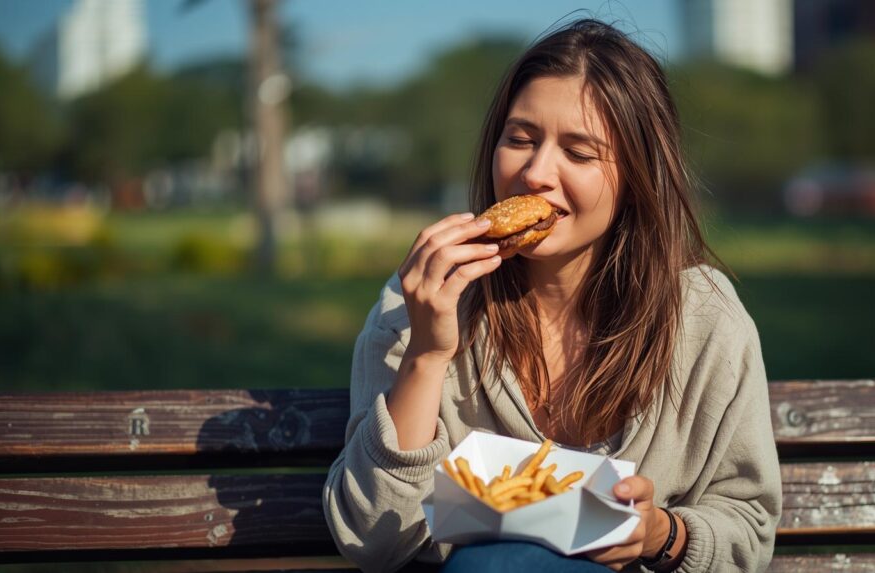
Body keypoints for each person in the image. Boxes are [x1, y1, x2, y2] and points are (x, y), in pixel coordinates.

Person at [323, 18, 781, 573]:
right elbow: (374, 540)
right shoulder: (421, 301)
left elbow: (747, 530)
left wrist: (661, 533)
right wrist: (426, 354)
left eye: (579, 153)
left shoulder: (702, 318)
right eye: (520, 139)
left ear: (638, 176)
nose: (536, 172)